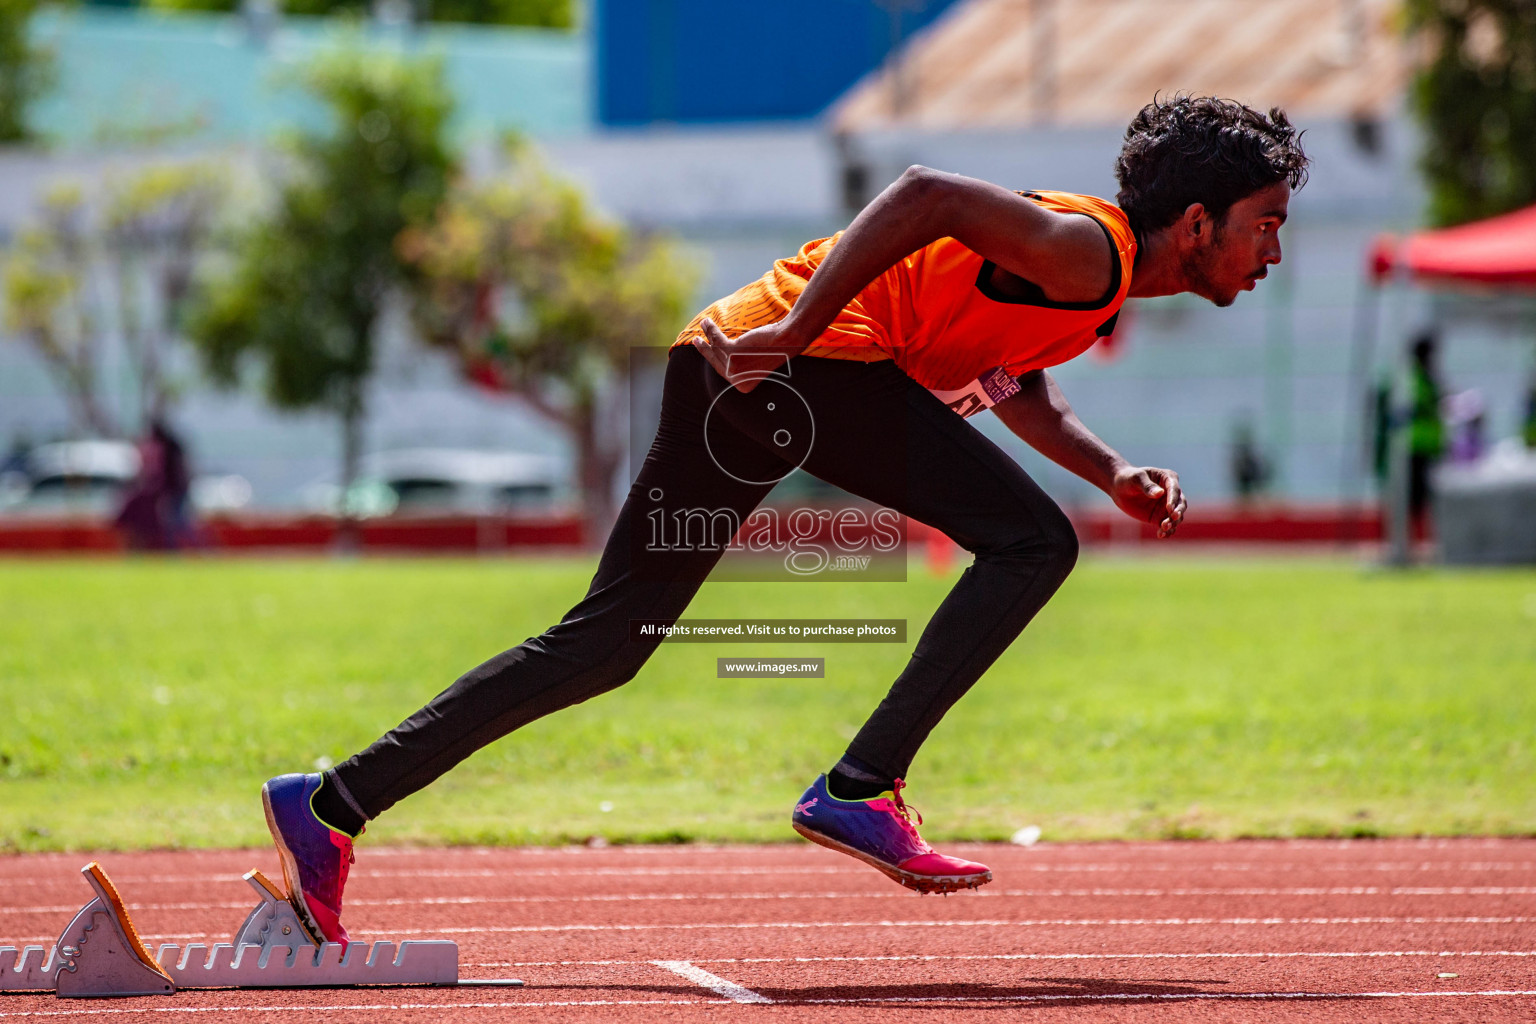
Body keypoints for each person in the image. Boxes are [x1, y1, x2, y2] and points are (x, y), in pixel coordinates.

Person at [260, 95, 1308, 946]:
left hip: (734, 358)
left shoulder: (1094, 288)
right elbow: (923, 193)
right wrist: (799, 333)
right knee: (1034, 541)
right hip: (792, 364)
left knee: (608, 643)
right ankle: (862, 785)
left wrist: (1114, 470)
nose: (1274, 249)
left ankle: (332, 804)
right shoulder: (1092, 249)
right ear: (1198, 221)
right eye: (1266, 221)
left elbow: (1015, 381)